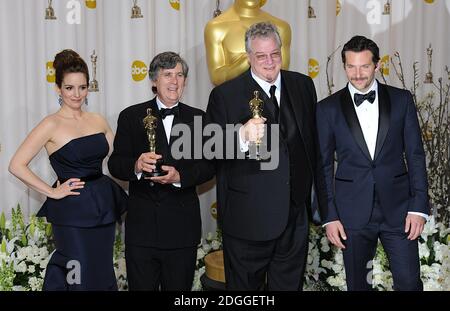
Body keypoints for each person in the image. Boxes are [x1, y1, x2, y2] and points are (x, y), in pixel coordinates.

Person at [205, 22, 322, 290]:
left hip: (295, 218)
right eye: (261, 56)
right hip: (248, 220)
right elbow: (208, 149)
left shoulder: (303, 85)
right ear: (248, 57)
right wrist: (241, 137)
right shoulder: (225, 94)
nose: (270, 62)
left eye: (275, 54)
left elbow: (312, 148)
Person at [315, 36, 430, 291]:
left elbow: (415, 155)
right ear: (344, 66)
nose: (357, 74)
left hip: (400, 212)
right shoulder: (327, 109)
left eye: (364, 66)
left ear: (377, 66)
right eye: (351, 67)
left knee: (410, 283)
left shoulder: (402, 100)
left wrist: (418, 207)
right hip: (351, 215)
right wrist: (329, 215)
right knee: (359, 285)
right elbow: (322, 166)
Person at [8, 49, 127, 290]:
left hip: (103, 205)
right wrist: (51, 192)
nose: (77, 94)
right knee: (78, 274)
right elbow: (16, 164)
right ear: (58, 88)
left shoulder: (98, 119)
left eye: (82, 87)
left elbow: (118, 158)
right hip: (72, 212)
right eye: (70, 88)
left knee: (102, 270)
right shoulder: (50, 124)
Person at [108, 52, 215, 291]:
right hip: (142, 231)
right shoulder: (131, 116)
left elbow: (210, 166)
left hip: (182, 231)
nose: (174, 81)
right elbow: (115, 163)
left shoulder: (199, 117)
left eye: (179, 75)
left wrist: (181, 177)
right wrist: (136, 165)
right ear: (154, 81)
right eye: (167, 75)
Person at [204, 0, 291, 86]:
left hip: (271, 97)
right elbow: (216, 78)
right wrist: (248, 60)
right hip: (233, 97)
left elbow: (282, 73)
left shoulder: (281, 27)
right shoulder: (216, 28)